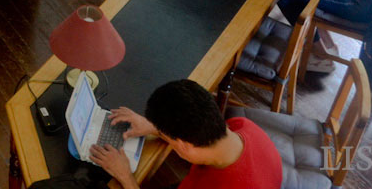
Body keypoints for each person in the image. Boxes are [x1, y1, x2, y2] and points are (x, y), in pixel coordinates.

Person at [89, 79, 282, 189]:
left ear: (183, 144)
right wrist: (153, 127)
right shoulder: (243, 126)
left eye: (171, 139)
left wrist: (126, 177)